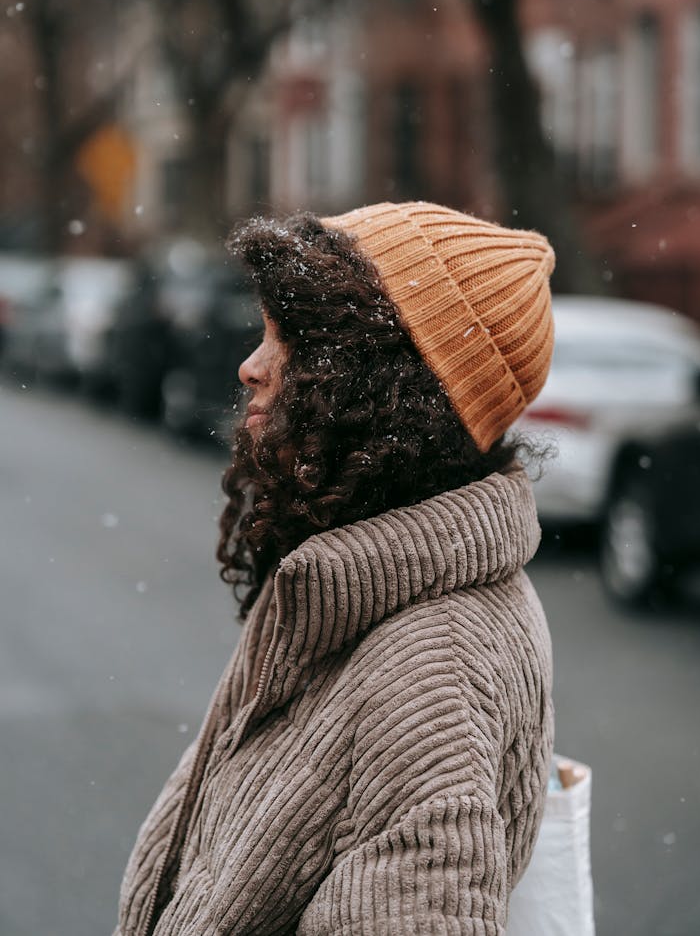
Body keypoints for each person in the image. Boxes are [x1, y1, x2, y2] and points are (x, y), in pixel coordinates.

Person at [115, 201, 556, 936]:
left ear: (385, 388)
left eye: (290, 340)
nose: (249, 366)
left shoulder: (429, 669)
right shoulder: (350, 579)